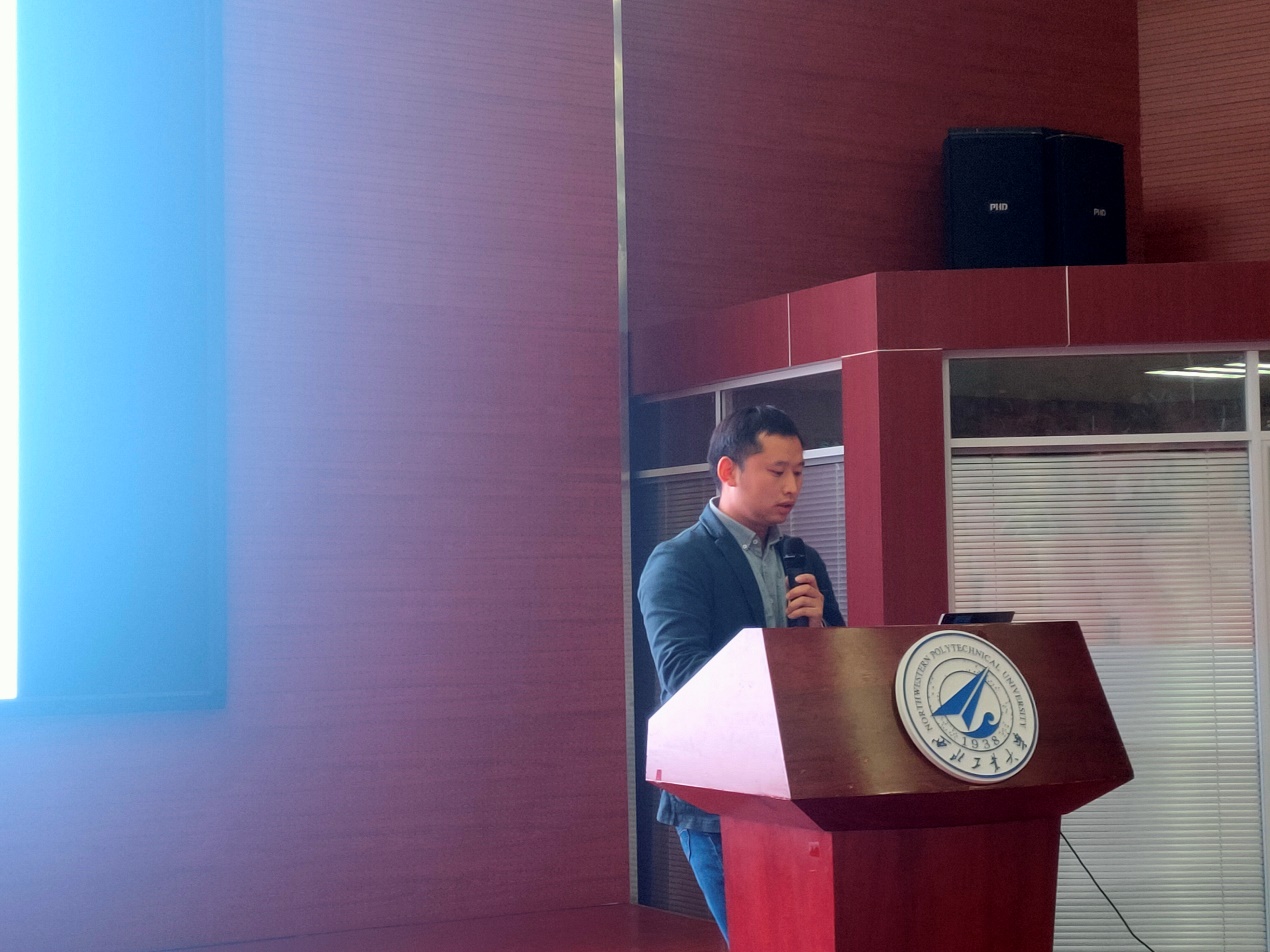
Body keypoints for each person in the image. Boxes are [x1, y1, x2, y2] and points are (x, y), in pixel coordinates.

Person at [638, 405, 845, 943]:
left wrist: (820, 626)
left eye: (798, 472)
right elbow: (684, 677)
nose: (792, 486)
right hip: (719, 798)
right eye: (777, 472)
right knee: (762, 941)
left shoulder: (802, 558)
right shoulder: (679, 562)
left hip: (798, 792)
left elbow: (842, 670)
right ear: (728, 471)